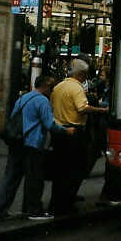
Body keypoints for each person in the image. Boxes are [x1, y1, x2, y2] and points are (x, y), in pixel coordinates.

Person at [0, 74, 75, 221]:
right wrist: (66, 130)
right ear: (46, 86)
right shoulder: (42, 101)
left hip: (17, 142)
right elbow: (50, 124)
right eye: (52, 87)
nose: (53, 90)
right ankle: (34, 211)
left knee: (11, 178)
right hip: (32, 144)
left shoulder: (23, 98)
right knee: (35, 179)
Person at [49, 59, 108, 216]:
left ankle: (55, 202)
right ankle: (66, 203)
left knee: (60, 170)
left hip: (58, 131)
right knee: (74, 169)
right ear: (81, 74)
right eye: (86, 75)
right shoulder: (76, 88)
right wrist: (101, 110)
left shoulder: (59, 86)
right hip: (74, 132)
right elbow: (82, 108)